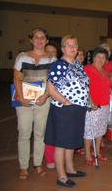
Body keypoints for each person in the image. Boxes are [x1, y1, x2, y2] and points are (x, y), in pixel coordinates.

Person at [44, 35, 89, 188]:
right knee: (61, 143)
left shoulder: (77, 64)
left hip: (77, 109)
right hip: (64, 109)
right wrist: (66, 102)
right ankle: (61, 176)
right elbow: (50, 88)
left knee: (71, 141)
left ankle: (70, 169)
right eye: (68, 45)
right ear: (62, 49)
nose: (72, 47)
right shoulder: (59, 65)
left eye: (74, 45)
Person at [14, 28, 56, 181]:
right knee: (24, 133)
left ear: (46, 40)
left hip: (43, 101)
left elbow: (53, 81)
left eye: (42, 37)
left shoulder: (52, 59)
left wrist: (45, 96)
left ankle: (38, 163)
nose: (39, 40)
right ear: (31, 40)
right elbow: (16, 79)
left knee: (40, 134)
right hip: (24, 100)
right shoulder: (22, 57)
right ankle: (24, 167)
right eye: (36, 37)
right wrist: (21, 98)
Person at [83, 47, 112, 165]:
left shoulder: (105, 71)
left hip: (105, 104)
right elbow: (85, 87)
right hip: (94, 105)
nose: (101, 59)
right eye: (98, 57)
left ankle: (97, 151)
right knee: (90, 130)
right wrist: (91, 102)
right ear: (93, 58)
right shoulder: (88, 69)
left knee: (100, 129)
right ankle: (88, 154)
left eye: (103, 57)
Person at [44, 41, 61, 170]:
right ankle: (49, 159)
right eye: (47, 51)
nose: (50, 54)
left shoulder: (59, 66)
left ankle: (58, 157)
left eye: (53, 52)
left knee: (57, 130)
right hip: (43, 100)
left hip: (57, 101)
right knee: (47, 131)